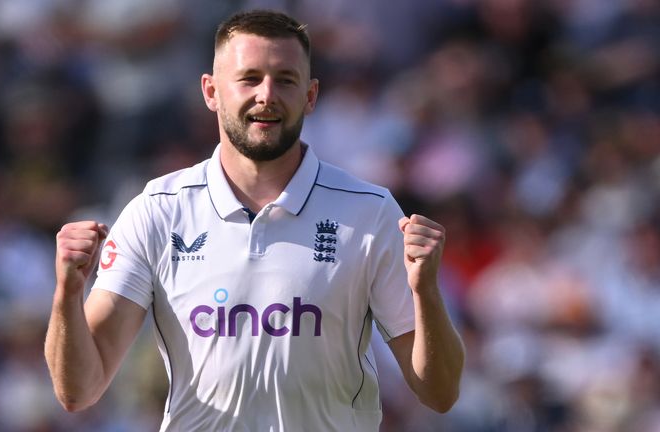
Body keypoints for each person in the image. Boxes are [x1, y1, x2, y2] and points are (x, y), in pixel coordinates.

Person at [45, 9, 464, 431]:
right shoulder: (157, 210)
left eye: (285, 79)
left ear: (311, 95)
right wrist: (67, 293)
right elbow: (79, 390)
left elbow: (439, 392)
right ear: (211, 91)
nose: (267, 95)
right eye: (249, 78)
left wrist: (426, 291)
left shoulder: (369, 212)